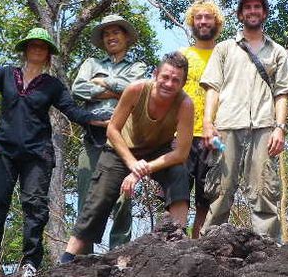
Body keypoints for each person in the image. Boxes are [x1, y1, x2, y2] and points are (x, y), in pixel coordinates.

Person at [0, 28, 106, 277]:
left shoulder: (52, 85)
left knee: (35, 206)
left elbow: (72, 111)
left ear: (48, 55)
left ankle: (30, 263)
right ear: (26, 49)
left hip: (37, 153)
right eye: (33, 45)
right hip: (3, 149)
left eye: (42, 47)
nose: (37, 49)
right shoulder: (8, 74)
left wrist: (99, 121)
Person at [61, 52, 195, 261]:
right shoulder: (136, 89)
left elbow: (181, 153)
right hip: (121, 148)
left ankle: (178, 239)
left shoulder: (185, 104)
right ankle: (67, 257)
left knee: (179, 173)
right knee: (99, 197)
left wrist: (143, 170)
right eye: (165, 77)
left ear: (183, 83)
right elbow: (113, 130)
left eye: (176, 80)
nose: (169, 84)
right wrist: (133, 165)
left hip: (157, 150)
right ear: (155, 74)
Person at [200, 0, 288, 239]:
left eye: (257, 7)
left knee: (264, 190)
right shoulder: (224, 49)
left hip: (264, 126)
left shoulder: (277, 52)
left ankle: (268, 249)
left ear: (264, 13)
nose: (253, 11)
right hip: (227, 125)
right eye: (248, 8)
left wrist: (280, 128)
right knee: (220, 189)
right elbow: (213, 88)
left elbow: (282, 93)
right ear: (240, 14)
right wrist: (208, 123)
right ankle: (211, 244)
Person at [71, 14, 148, 249]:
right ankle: (82, 257)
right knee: (87, 198)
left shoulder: (138, 67)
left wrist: (103, 83)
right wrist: (118, 90)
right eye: (106, 34)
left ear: (126, 37)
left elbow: (137, 91)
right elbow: (77, 89)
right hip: (93, 137)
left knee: (123, 197)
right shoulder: (91, 64)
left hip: (124, 139)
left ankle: (120, 254)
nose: (111, 37)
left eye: (116, 32)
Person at [179, 0, 224, 238]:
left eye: (208, 17)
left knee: (207, 198)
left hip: (215, 137)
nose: (203, 22)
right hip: (182, 136)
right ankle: (173, 244)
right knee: (177, 194)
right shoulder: (182, 56)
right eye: (199, 18)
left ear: (217, 22)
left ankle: (199, 245)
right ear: (192, 22)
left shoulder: (226, 55)